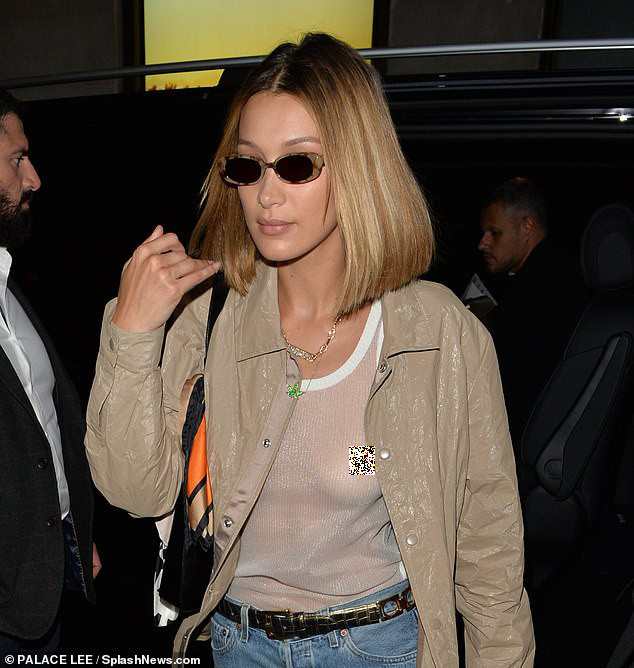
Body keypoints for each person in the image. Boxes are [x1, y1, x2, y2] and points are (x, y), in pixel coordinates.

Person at [85, 34, 534, 667]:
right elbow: (135, 489)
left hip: (379, 647)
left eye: (298, 165)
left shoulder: (438, 335)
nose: (266, 195)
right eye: (248, 166)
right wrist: (131, 336)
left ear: (358, 166)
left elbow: (488, 550)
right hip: (239, 646)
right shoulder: (203, 317)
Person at [0, 90, 100, 656]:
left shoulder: (9, 285)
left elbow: (41, 425)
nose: (33, 178)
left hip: (45, 576)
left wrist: (72, 531)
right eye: (17, 159)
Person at [477, 178, 588, 468]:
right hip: (525, 447)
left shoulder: (539, 293)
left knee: (374, 460)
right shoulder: (558, 279)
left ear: (527, 227)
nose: (482, 243)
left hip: (519, 449)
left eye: (494, 233)